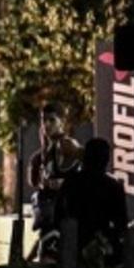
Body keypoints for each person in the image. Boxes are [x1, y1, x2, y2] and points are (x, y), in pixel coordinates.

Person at [55, 138, 129, 264]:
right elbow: (121, 222)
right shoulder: (113, 185)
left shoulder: (71, 182)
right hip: (104, 245)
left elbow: (58, 215)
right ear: (106, 159)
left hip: (75, 244)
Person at [29, 103, 82, 255]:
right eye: (43, 120)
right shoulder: (44, 152)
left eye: (51, 120)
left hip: (64, 223)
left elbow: (93, 162)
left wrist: (67, 183)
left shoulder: (66, 145)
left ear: (62, 122)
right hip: (50, 224)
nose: (46, 124)